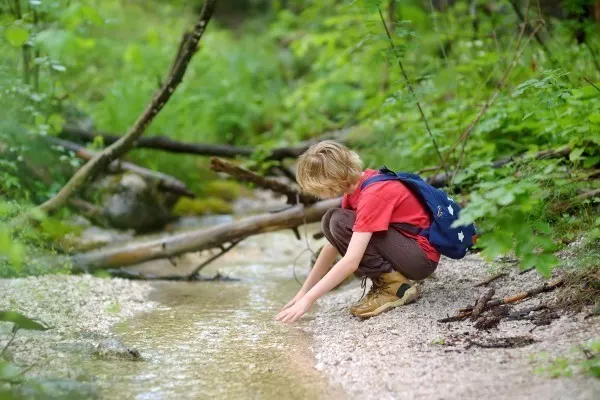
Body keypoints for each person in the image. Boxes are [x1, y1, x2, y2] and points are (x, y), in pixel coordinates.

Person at [275, 140, 439, 323]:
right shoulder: (355, 190)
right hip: (407, 251)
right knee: (332, 219)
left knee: (337, 220)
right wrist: (303, 292)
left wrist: (310, 299)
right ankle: (390, 282)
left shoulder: (372, 194)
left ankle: (395, 287)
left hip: (420, 259)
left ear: (331, 179)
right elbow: (332, 247)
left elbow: (351, 261)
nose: (317, 193)